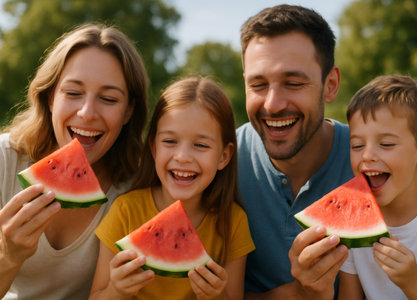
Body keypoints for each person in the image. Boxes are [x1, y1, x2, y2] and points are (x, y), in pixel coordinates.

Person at [0, 23, 148, 300]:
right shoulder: (4, 162)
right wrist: (8, 256)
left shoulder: (136, 189)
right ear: (50, 98)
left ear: (129, 111)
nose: (87, 113)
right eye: (73, 93)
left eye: (108, 98)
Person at [89, 76, 255, 300]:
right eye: (170, 141)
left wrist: (216, 296)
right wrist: (115, 291)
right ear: (154, 147)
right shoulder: (125, 211)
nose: (183, 157)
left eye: (201, 145)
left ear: (224, 156)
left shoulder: (234, 222)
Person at [237, 4, 353, 299]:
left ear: (330, 85)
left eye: (293, 83)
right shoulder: (219, 161)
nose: (273, 104)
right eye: (258, 84)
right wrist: (301, 293)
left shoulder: (369, 161)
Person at [338, 74, 417, 299]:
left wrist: (413, 281)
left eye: (386, 144)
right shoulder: (351, 222)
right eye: (357, 145)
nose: (367, 155)